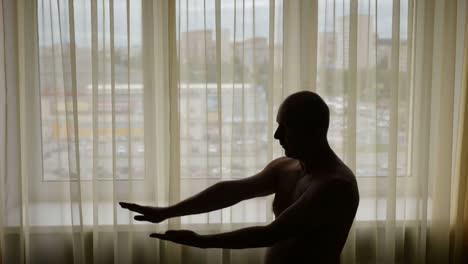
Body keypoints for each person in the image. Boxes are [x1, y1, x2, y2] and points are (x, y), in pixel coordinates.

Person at [120, 91, 359, 263]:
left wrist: (202, 241)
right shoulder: (286, 168)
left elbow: (271, 234)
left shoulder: (335, 185)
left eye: (286, 127)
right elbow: (233, 191)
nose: (277, 135)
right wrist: (166, 212)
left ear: (314, 130)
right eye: (278, 126)